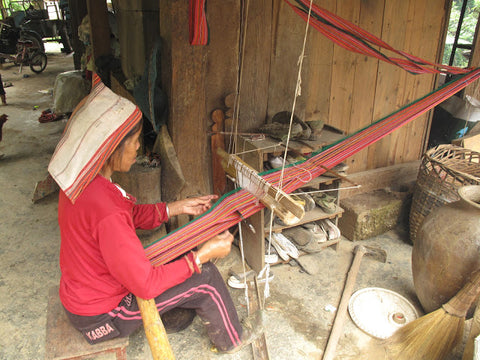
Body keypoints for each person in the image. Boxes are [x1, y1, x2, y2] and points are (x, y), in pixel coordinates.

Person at [48, 74, 261, 353]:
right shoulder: (107, 210)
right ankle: (233, 340)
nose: (138, 147)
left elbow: (129, 214)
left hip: (83, 293)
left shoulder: (82, 182)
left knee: (171, 255)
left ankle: (177, 310)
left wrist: (176, 207)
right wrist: (203, 254)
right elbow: (146, 285)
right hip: (103, 315)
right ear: (112, 148)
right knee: (206, 276)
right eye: (135, 141)